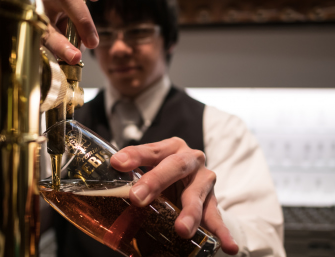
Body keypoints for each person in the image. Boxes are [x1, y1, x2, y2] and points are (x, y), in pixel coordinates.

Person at [43, 0, 285, 256]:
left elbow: (266, 243)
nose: (119, 48)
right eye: (106, 34)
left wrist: (201, 223)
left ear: (169, 40)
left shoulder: (221, 128)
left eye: (138, 32)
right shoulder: (59, 129)